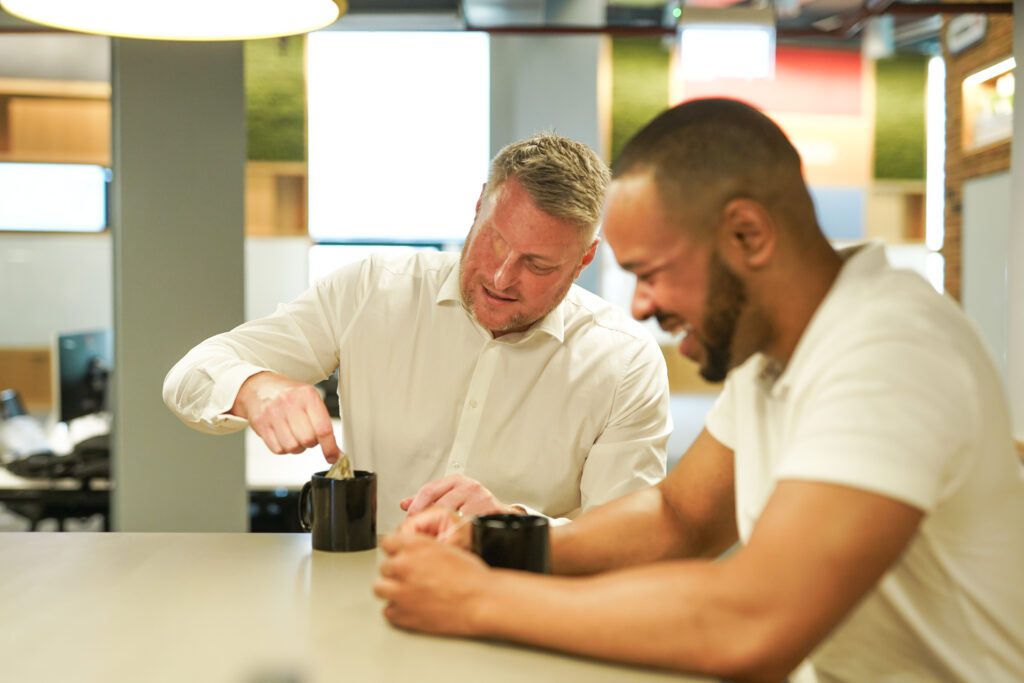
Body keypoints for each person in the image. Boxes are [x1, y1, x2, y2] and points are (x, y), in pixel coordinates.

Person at [373, 99, 1024, 682]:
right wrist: (495, 542)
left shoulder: (890, 349)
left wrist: (478, 599)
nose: (640, 306)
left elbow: (752, 620)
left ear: (747, 234)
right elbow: (678, 518)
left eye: (651, 273)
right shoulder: (774, 351)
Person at [163, 133, 671, 531]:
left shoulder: (624, 363)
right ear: (478, 207)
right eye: (494, 242)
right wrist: (254, 389)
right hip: (365, 600)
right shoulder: (371, 291)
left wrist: (509, 528)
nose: (500, 277)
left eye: (537, 265)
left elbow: (626, 538)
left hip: (524, 613)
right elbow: (189, 376)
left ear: (584, 259)